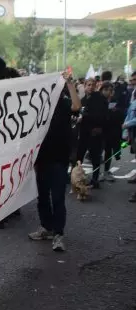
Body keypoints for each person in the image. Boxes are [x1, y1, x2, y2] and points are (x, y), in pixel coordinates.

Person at [28, 71, 81, 252]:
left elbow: (76, 106)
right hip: (41, 158)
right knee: (42, 196)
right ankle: (46, 227)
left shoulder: (63, 103)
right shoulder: (38, 105)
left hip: (59, 158)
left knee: (57, 198)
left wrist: (71, 85)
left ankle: (58, 234)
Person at [78, 80, 111, 188]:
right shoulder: (82, 100)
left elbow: (104, 116)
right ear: (84, 86)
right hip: (83, 132)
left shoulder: (100, 99)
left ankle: (95, 179)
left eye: (93, 85)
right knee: (79, 156)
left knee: (95, 158)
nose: (91, 87)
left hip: (95, 132)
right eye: (89, 85)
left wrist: (100, 128)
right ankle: (77, 177)